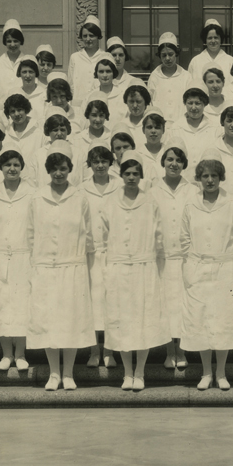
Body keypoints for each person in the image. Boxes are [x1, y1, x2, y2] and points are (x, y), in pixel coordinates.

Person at [99, 157, 167, 391]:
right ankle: (127, 373)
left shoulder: (150, 202)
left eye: (135, 174)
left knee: (143, 322)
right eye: (127, 173)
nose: (131, 177)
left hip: (143, 269)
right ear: (121, 176)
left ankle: (140, 372)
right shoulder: (109, 203)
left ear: (141, 176)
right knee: (123, 323)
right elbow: (104, 237)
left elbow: (159, 237)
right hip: (118, 269)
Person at [179, 158, 233, 391]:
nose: (210, 180)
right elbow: (184, 239)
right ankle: (206, 373)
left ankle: (221, 373)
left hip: (225, 270)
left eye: (214, 176)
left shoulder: (232, 203)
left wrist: (225, 260)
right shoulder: (190, 205)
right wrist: (195, 264)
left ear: (221, 178)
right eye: (205, 176)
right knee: (201, 321)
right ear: (198, 179)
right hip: (198, 269)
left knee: (222, 322)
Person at [28, 152, 94, 391]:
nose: (59, 173)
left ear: (70, 170)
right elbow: (31, 234)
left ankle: (68, 374)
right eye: (54, 169)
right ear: (48, 170)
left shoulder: (80, 197)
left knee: (71, 321)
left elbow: (88, 234)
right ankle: (54, 373)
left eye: (63, 168)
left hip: (73, 266)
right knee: (49, 321)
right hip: (45, 268)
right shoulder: (37, 197)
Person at [0, 150, 36, 374]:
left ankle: (21, 354)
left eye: (16, 164)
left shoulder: (32, 194)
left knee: (22, 305)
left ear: (22, 167)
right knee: (2, 304)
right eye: (7, 165)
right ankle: (6, 354)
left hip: (24, 255)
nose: (12, 169)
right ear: (1, 168)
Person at [153, 147, 195, 369]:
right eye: (170, 159)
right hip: (163, 258)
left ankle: (183, 350)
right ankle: (170, 351)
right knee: (167, 306)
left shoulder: (192, 190)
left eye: (179, 160)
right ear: (163, 161)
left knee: (183, 306)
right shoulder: (153, 190)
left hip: (186, 257)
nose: (174, 164)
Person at [81, 146, 119, 368]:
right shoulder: (82, 188)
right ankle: (94, 351)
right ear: (90, 164)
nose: (100, 165)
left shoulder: (119, 186)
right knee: (94, 304)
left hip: (114, 253)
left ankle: (111, 351)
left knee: (112, 302)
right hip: (91, 254)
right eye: (95, 161)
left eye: (104, 161)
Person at [147, 32, 189, 124]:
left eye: (170, 54)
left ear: (176, 54)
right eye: (164, 55)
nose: (167, 58)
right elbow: (150, 103)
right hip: (160, 126)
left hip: (181, 124)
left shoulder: (186, 76)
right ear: (159, 56)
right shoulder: (154, 77)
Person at [188, 18, 233, 85]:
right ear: (205, 40)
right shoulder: (195, 61)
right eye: (210, 38)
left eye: (216, 38)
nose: (213, 41)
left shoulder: (230, 61)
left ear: (221, 39)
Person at [0, 19, 27, 103]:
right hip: (1, 109)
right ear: (5, 42)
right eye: (9, 41)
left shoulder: (27, 61)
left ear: (21, 41)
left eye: (16, 41)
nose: (12, 44)